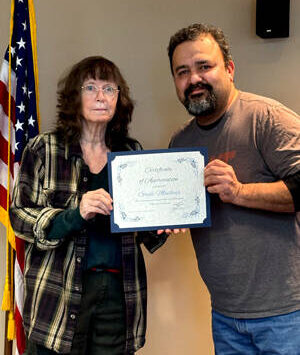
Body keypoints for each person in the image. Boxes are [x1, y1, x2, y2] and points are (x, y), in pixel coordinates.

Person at [9, 56, 169, 355]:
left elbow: (147, 229)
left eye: (110, 89)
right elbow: (19, 216)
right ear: (74, 96)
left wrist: (165, 223)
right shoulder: (44, 148)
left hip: (118, 297)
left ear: (119, 100)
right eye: (91, 87)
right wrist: (75, 214)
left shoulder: (130, 152)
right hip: (58, 294)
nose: (100, 96)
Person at [167, 23, 300, 354]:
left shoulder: (266, 118)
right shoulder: (180, 144)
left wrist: (239, 191)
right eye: (182, 72)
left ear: (229, 68)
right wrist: (168, 216)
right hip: (225, 315)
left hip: (287, 315)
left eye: (204, 66)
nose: (193, 79)